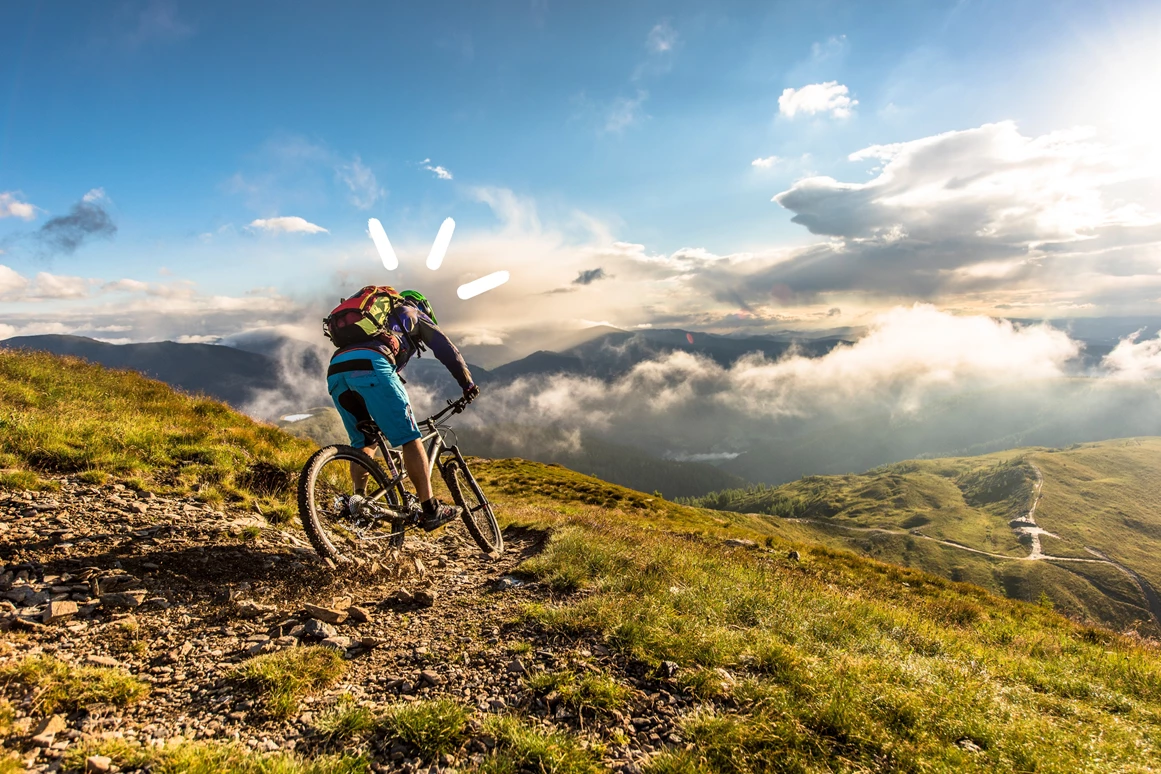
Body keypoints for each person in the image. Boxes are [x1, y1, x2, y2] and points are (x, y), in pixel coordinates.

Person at [325, 288, 480, 531]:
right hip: (372, 365)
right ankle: (430, 509)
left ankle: (359, 503)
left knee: (365, 442)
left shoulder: (374, 321)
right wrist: (467, 383)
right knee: (409, 437)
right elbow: (445, 347)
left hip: (336, 371)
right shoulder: (412, 312)